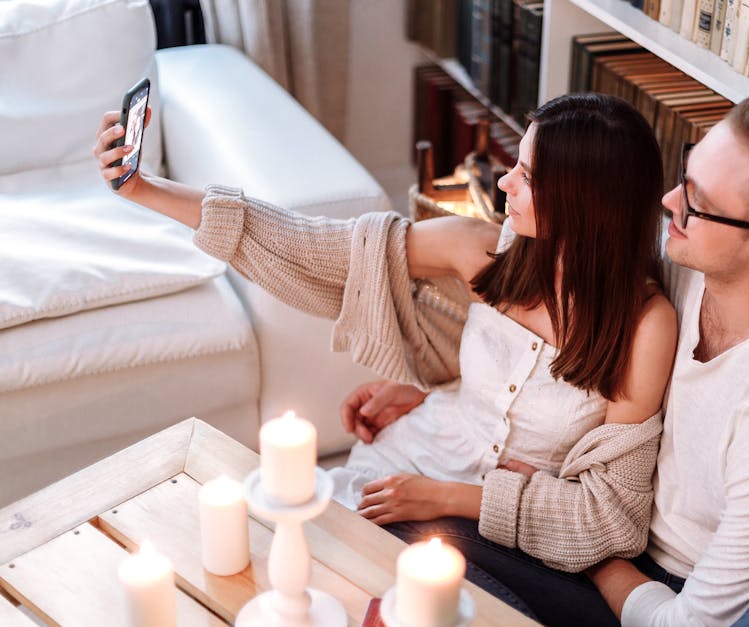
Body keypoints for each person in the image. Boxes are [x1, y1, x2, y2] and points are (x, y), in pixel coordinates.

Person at [92, 93, 677, 624]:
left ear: (585, 200)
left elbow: (610, 517)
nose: (504, 185)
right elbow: (312, 246)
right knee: (287, 571)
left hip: (496, 523)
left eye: (527, 175)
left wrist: (445, 497)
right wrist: (146, 190)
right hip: (413, 462)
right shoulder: (484, 252)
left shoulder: (644, 328)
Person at [340, 95, 749, 626]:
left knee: (420, 543)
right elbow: (557, 315)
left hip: (680, 589)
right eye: (685, 173)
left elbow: (686, 620)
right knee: (401, 536)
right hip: (606, 536)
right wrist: (456, 391)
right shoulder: (694, 253)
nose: (670, 201)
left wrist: (592, 547)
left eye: (697, 201)